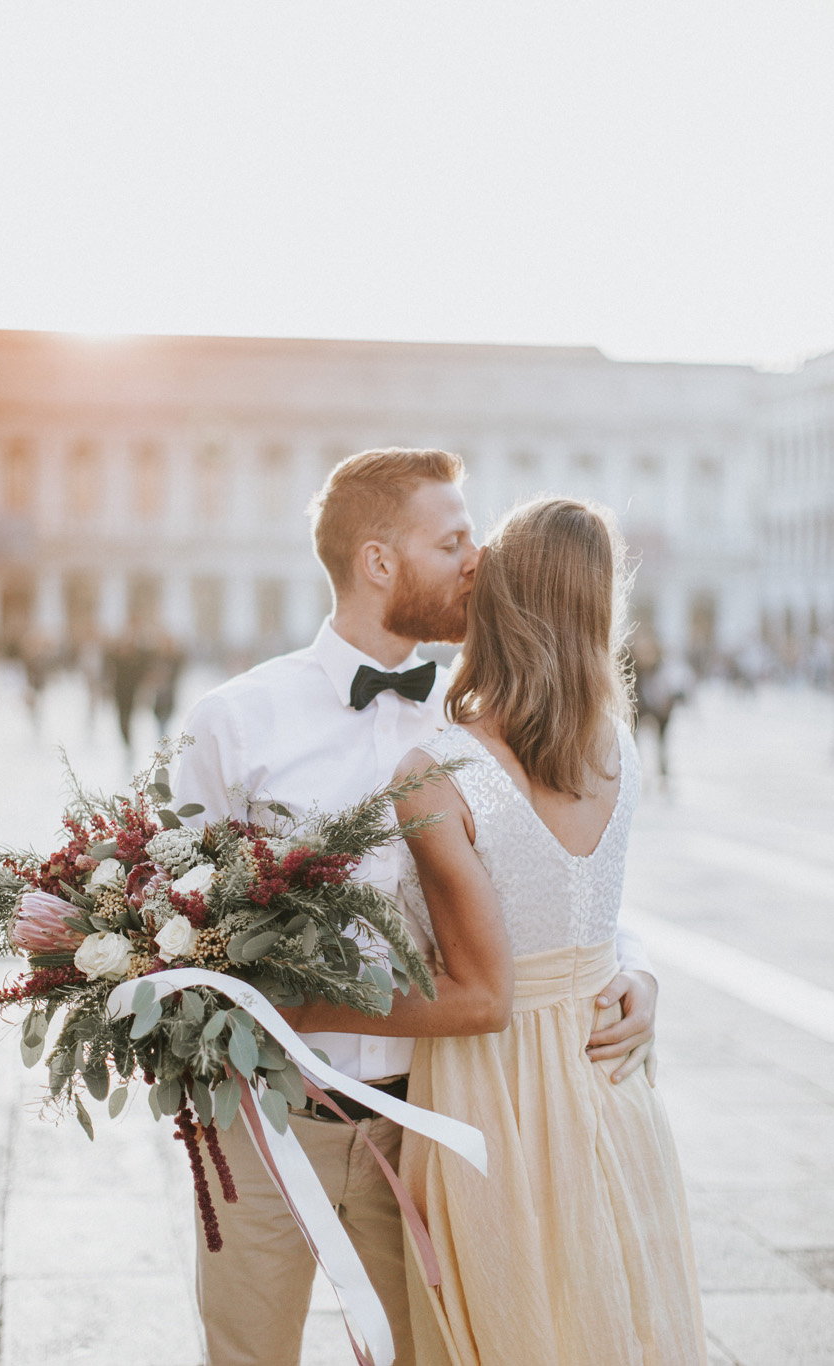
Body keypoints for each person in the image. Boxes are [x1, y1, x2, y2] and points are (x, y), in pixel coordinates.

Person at [173, 451, 659, 1366]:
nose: (478, 560)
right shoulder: (235, 719)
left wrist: (629, 963)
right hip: (266, 1119)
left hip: (430, 1119)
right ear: (378, 562)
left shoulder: (491, 715)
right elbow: (181, 921)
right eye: (453, 541)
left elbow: (553, 870)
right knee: (247, 1352)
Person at [291, 496, 706, 1364]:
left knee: (509, 1324)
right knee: (615, 1315)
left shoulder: (436, 773)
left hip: (498, 1094)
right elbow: (579, 912)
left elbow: (481, 997)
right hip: (611, 1080)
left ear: (493, 600)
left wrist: (300, 1006)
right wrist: (642, 971)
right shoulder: (615, 750)